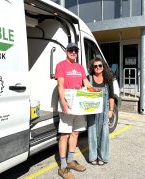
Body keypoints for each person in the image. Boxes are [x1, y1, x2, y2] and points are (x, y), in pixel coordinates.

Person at [55, 42, 92, 179]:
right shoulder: (61, 65)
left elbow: (86, 82)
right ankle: (63, 167)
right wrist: (63, 101)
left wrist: (95, 92)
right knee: (64, 134)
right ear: (66, 51)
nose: (73, 52)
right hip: (68, 103)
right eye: (71, 50)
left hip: (79, 105)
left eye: (75, 50)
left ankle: (70, 161)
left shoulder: (80, 67)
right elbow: (60, 85)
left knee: (75, 133)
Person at [87, 57, 114, 166]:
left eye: (100, 66)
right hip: (91, 111)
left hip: (104, 111)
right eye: (95, 66)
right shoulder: (88, 79)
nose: (98, 68)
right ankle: (93, 156)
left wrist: (111, 110)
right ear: (92, 68)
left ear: (103, 67)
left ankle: (102, 157)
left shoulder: (108, 80)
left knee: (104, 134)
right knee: (92, 133)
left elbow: (111, 97)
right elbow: (82, 91)